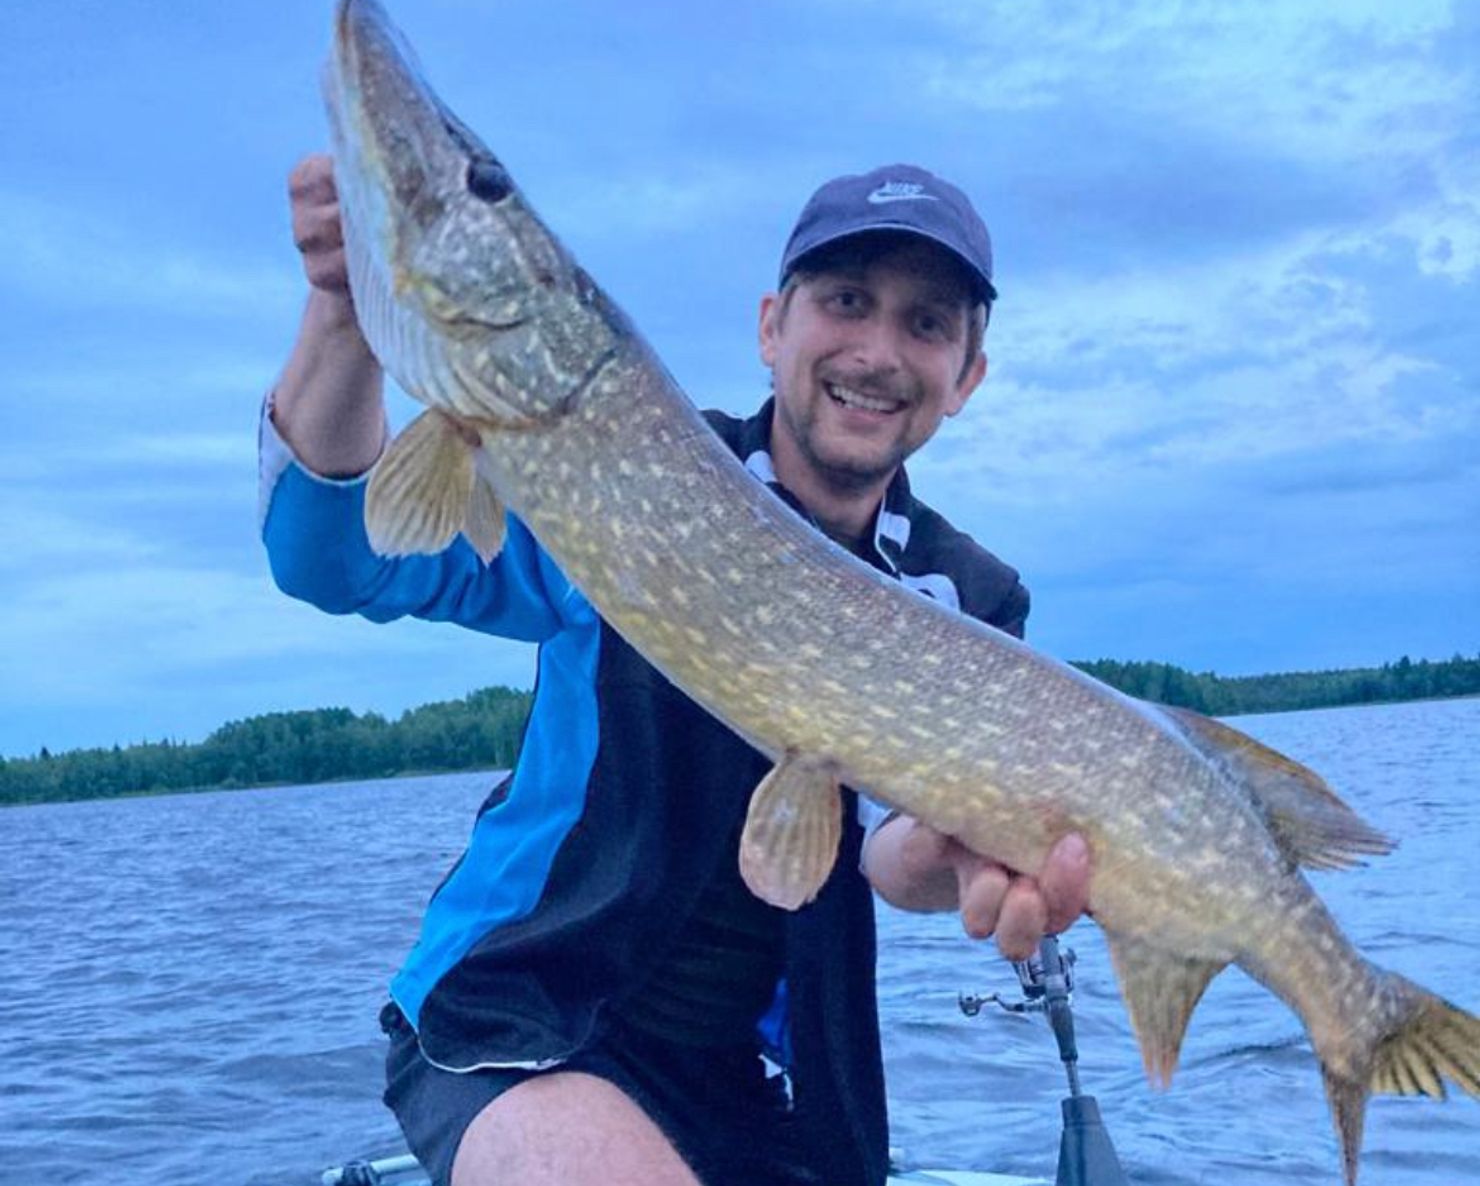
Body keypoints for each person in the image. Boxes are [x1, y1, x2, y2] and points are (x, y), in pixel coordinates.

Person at [262, 159, 1092, 1186]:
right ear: (771, 329)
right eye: (845, 301)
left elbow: (892, 849)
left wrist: (963, 851)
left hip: (766, 1078)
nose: (877, 352)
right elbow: (332, 557)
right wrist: (344, 306)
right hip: (517, 1013)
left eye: (926, 323)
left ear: (966, 376)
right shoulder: (619, 462)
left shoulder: (965, 595)